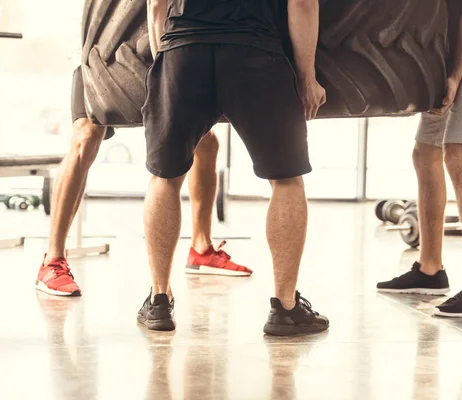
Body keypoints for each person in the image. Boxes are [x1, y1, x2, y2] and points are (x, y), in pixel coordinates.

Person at [137, 0, 329, 336]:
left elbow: (156, 5)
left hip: (184, 50)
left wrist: (164, 66)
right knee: (286, 180)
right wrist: (306, 76)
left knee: (164, 178)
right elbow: (302, 3)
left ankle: (159, 300)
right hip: (254, 53)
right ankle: (285, 308)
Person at [35, 15, 252, 297]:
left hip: (155, 49)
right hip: (99, 52)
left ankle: (201, 249)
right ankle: (52, 259)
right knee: (86, 135)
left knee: (205, 140)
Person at [377, 0, 462, 317]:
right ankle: (430, 269)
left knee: (458, 155)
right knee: (425, 151)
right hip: (448, 54)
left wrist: (454, 76)